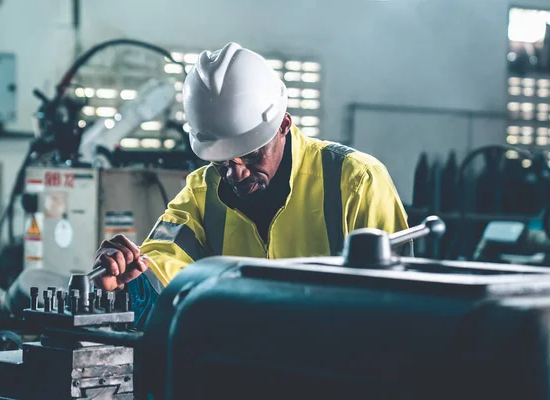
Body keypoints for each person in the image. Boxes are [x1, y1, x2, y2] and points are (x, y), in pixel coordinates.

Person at [93, 42, 410, 327]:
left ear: (283, 124)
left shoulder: (357, 181)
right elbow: (164, 262)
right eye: (222, 161)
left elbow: (398, 302)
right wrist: (130, 278)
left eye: (250, 156)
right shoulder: (202, 192)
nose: (235, 175)